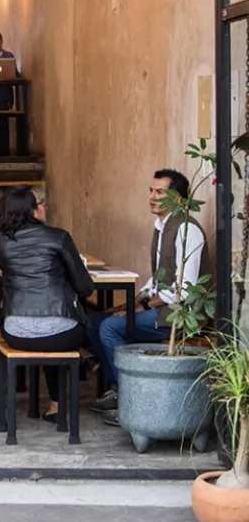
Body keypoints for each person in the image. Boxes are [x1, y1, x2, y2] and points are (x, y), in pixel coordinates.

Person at [88, 169, 209, 427]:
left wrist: (141, 307)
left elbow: (183, 290)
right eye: (151, 191)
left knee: (110, 329)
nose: (152, 197)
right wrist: (129, 304)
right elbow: (158, 279)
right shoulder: (161, 226)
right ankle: (119, 390)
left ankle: (130, 399)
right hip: (161, 307)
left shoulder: (187, 229)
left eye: (159, 192)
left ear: (177, 198)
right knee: (97, 321)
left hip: (180, 316)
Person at [0, 186, 94, 423]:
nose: (45, 206)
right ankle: (88, 370)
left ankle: (56, 406)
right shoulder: (58, 237)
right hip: (62, 333)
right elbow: (86, 287)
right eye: (40, 203)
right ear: (31, 211)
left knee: (49, 331)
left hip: (16, 331)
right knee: (75, 327)